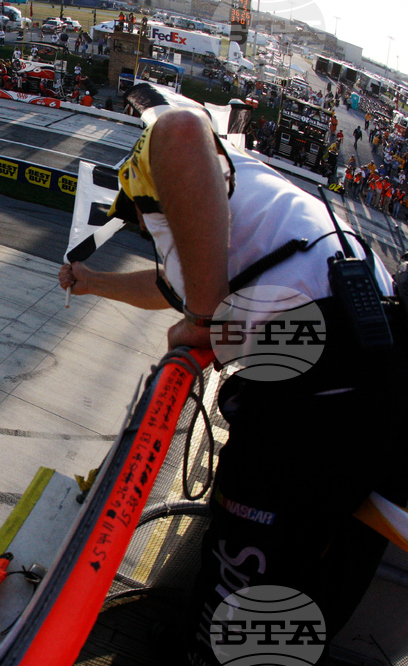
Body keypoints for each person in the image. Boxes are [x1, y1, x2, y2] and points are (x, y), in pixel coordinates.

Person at [58, 105, 406, 666]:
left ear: (142, 202)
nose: (146, 234)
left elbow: (177, 130)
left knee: (246, 562)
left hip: (323, 378)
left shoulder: (166, 170)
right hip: (370, 359)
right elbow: (172, 288)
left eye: (139, 223)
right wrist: (94, 282)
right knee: (320, 567)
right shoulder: (246, 210)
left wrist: (203, 321)